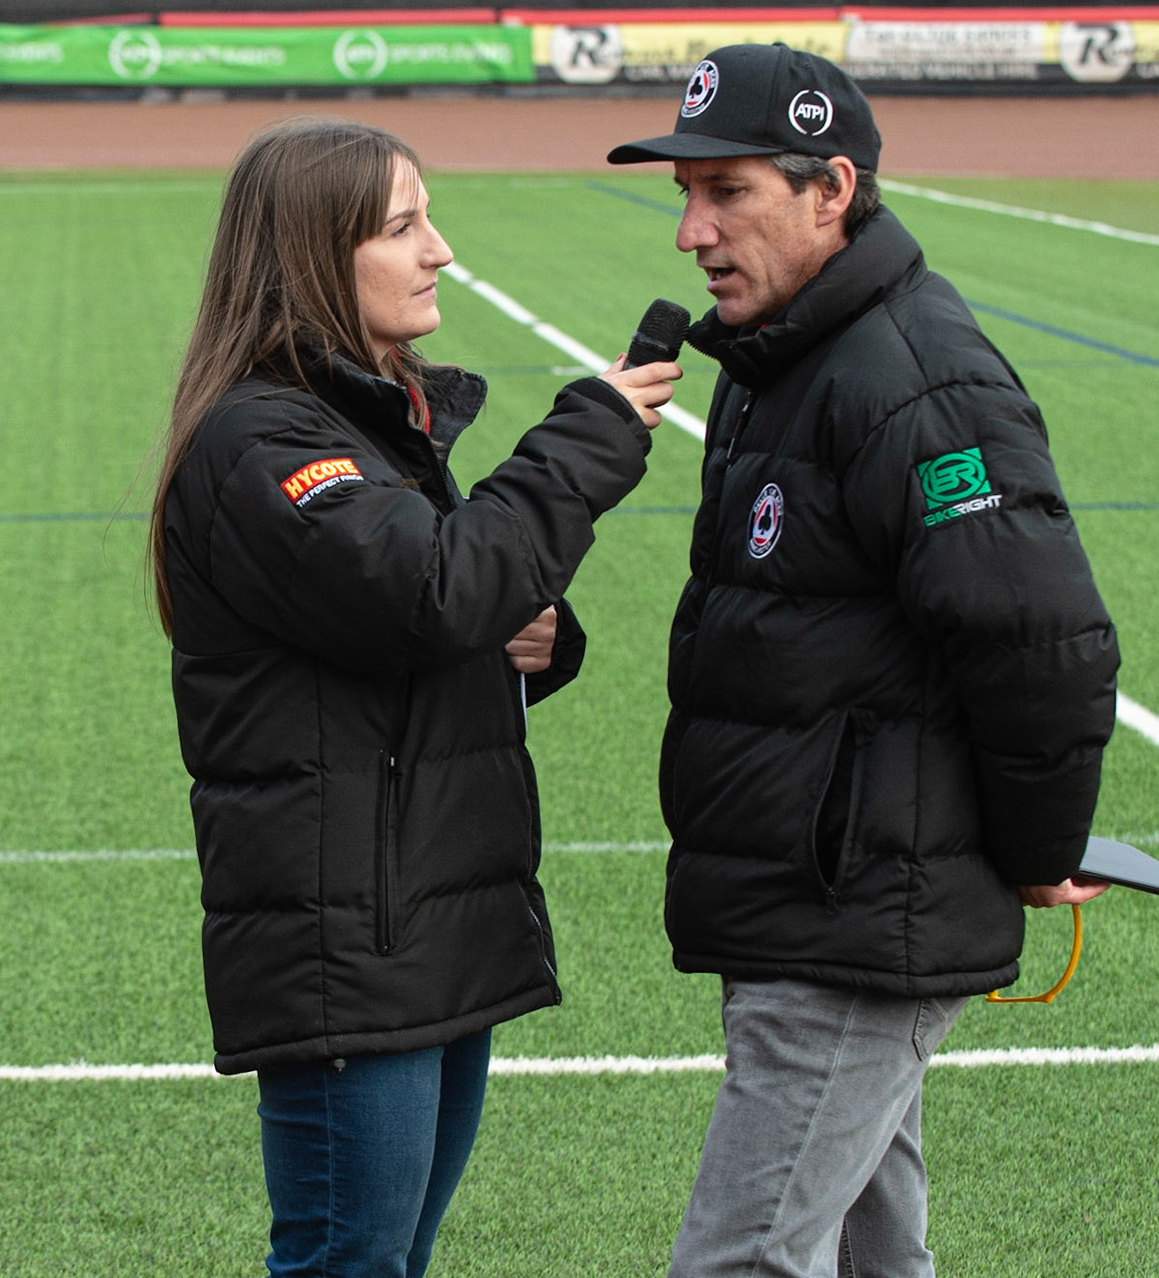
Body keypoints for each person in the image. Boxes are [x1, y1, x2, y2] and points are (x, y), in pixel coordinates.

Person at [607, 43, 1120, 1278]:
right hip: (812, 896)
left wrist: (1044, 850)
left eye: (727, 191)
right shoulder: (782, 355)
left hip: (855, 914)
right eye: (686, 193)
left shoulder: (911, 376)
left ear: (831, 189)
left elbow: (1038, 638)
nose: (693, 231)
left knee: (742, 1262)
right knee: (869, 1261)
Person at [150, 117, 678, 1277]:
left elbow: (417, 621)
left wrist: (523, 634)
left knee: (387, 1260)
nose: (439, 250)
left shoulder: (364, 422)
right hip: (355, 944)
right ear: (312, 258)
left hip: (421, 922)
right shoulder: (264, 440)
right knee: (352, 1265)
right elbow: (431, 592)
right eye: (402, 227)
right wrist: (584, 437)